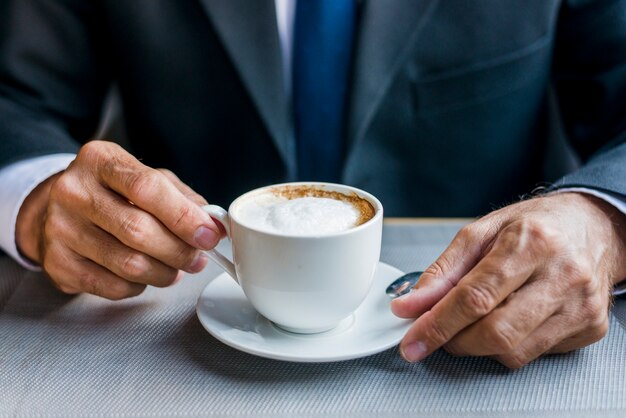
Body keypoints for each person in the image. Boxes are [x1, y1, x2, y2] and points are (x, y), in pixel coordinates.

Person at [0, 0, 625, 369]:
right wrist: (36, 198)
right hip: (168, 337)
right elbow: (15, 98)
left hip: (474, 350)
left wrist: (605, 218)